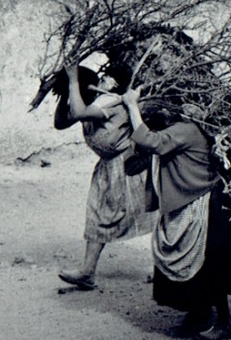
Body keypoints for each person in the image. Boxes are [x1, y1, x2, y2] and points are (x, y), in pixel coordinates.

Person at [120, 86, 231, 340]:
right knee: (202, 267)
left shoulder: (187, 130)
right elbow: (136, 160)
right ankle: (199, 313)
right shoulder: (184, 128)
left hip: (202, 206)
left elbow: (151, 141)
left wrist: (131, 106)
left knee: (211, 268)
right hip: (188, 202)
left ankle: (224, 322)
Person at [53, 62, 156, 291]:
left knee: (153, 215)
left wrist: (72, 80)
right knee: (98, 215)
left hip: (131, 164)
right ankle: (87, 272)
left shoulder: (112, 102)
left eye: (107, 78)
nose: (102, 80)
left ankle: (164, 269)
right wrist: (63, 92)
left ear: (116, 85)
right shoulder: (93, 103)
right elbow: (61, 123)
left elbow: (78, 113)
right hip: (109, 168)